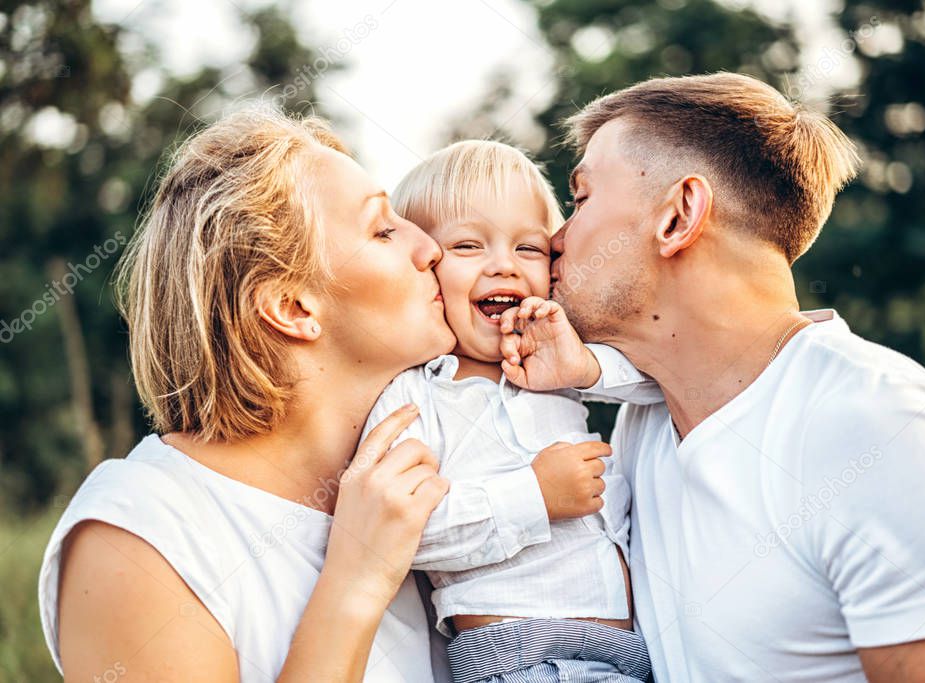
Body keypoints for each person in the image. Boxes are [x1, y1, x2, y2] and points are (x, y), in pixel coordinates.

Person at [36, 108, 601, 682]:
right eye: (384, 230)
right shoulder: (141, 533)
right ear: (293, 308)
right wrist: (355, 581)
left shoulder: (438, 485)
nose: (430, 248)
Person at [498, 73, 925, 682]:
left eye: (582, 198)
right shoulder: (645, 425)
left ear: (679, 215)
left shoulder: (883, 433)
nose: (555, 239)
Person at [360, 140, 652, 682]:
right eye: (468, 246)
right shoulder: (416, 394)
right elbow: (401, 535)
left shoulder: (559, 362)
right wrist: (534, 497)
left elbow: (665, 380)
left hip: (626, 654)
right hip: (520, 659)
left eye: (529, 249)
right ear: (423, 270)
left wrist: (583, 368)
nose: (504, 266)